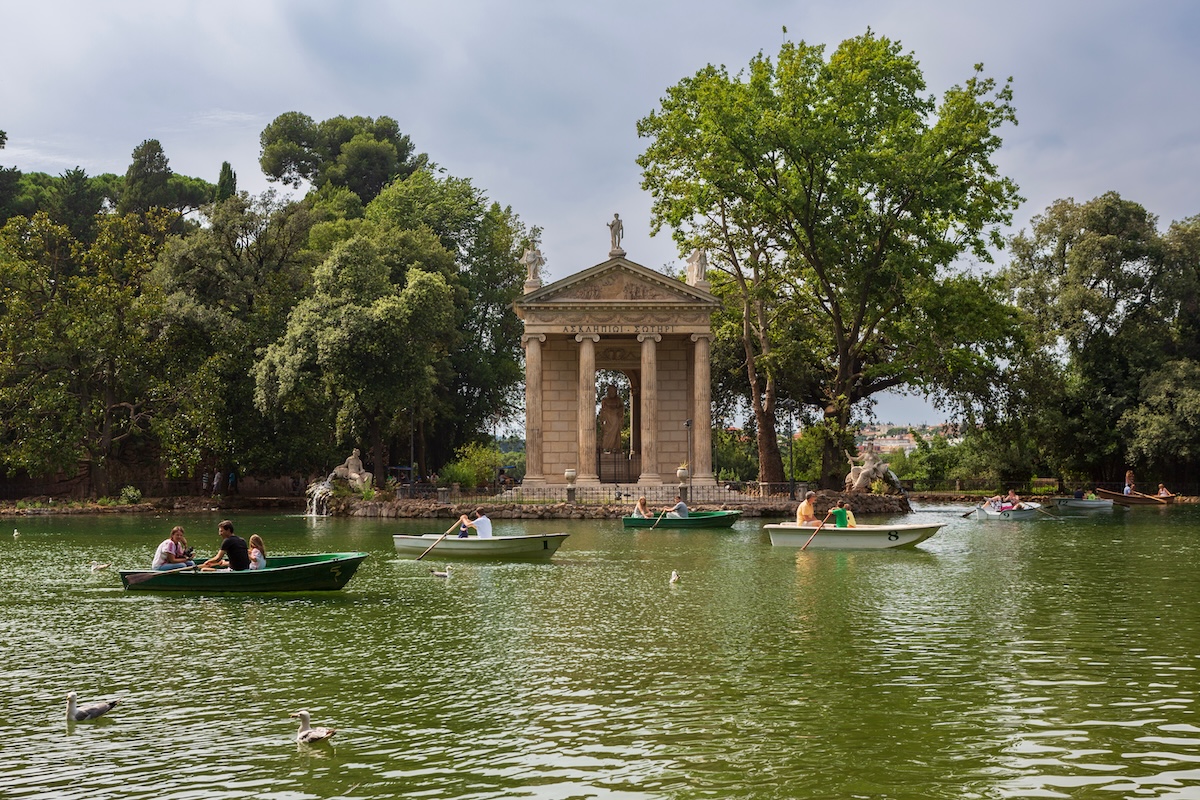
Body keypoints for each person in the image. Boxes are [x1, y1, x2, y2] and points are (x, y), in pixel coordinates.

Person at [598, 385, 624, 452]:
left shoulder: (618, 400)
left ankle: (615, 449)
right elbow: (603, 410)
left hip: (615, 420)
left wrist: (617, 411)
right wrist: (601, 419)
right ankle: (605, 448)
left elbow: (621, 409)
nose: (612, 392)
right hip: (608, 420)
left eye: (613, 391)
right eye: (610, 391)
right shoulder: (605, 400)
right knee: (606, 433)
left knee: (616, 434)